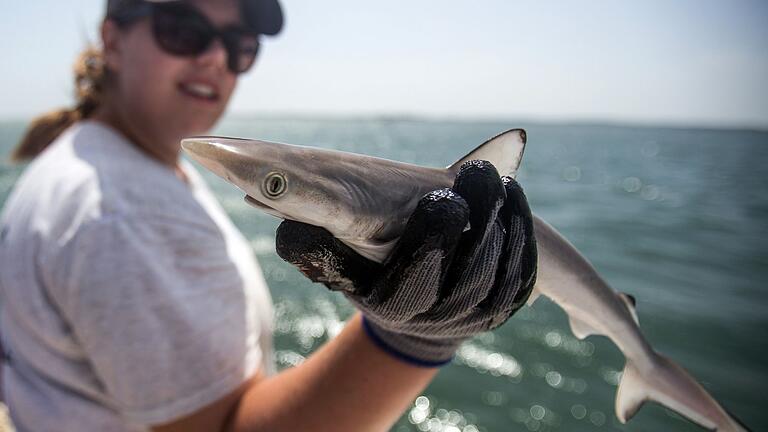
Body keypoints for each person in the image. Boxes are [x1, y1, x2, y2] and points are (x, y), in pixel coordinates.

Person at [0, 0, 537, 431]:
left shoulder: (91, 156)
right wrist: (414, 338)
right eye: (183, 29)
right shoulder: (125, 217)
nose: (215, 58)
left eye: (239, 45)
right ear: (112, 40)